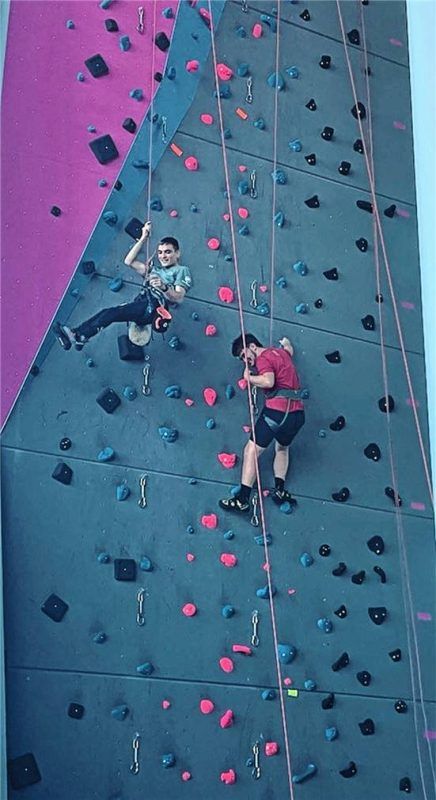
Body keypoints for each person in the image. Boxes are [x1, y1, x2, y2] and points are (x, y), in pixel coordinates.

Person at [54, 222, 192, 350]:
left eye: (168, 252)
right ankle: (80, 335)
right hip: (144, 302)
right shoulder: (155, 270)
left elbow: (178, 298)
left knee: (112, 313)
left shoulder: (181, 271)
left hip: (154, 306)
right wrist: (143, 238)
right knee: (108, 312)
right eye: (161, 252)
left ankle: (79, 335)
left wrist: (164, 287)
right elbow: (129, 261)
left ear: (177, 253)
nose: (163, 256)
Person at [219, 333, 305, 515]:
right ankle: (279, 489)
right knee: (282, 448)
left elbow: (268, 380)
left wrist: (249, 378)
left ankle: (242, 499)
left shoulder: (262, 358)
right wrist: (287, 343)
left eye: (244, 355)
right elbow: (289, 350)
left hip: (277, 411)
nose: (246, 360)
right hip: (296, 415)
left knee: (251, 450)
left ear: (252, 346)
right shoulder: (280, 353)